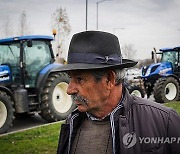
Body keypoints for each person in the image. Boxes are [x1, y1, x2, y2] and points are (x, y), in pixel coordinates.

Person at [57, 31, 180, 154]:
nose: (69, 90)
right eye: (70, 78)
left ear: (109, 79)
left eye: (79, 79)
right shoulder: (72, 122)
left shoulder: (164, 121)